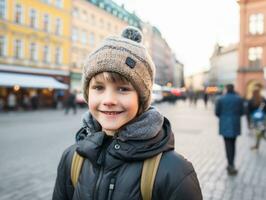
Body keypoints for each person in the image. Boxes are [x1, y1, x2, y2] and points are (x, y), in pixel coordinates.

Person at [52, 27, 202, 200]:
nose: (109, 100)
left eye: (123, 89)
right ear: (87, 93)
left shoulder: (175, 172)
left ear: (142, 98)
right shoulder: (72, 159)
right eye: (98, 88)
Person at [215, 84, 244, 175]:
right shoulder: (238, 99)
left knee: (227, 145)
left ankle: (230, 164)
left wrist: (224, 117)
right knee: (233, 144)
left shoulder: (221, 99)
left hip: (225, 124)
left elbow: (217, 112)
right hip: (235, 124)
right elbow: (242, 112)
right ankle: (231, 164)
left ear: (226, 89)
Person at [246, 85, 266, 150]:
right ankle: (256, 145)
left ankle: (256, 145)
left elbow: (248, 112)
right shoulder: (263, 99)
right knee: (261, 132)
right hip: (263, 119)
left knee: (259, 132)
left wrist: (248, 123)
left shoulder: (251, 100)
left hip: (255, 120)